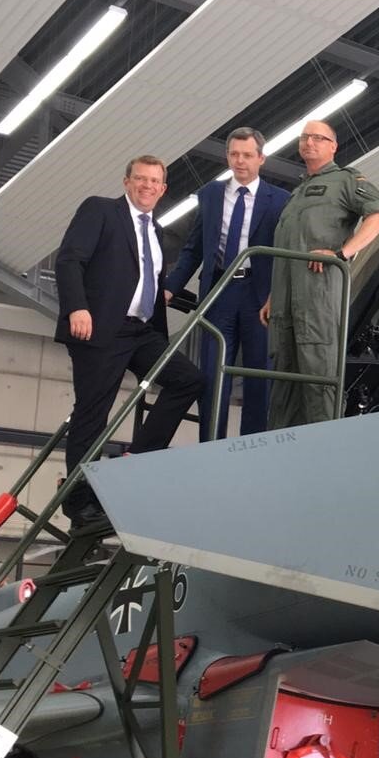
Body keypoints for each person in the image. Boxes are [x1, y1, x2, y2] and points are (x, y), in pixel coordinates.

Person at [55, 156, 203, 526]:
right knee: (92, 413)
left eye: (154, 181)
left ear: (163, 189)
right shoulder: (101, 210)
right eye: (140, 178)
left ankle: (135, 460)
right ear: (126, 182)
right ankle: (78, 502)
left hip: (141, 332)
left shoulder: (156, 231)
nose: (147, 186)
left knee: (189, 379)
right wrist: (77, 307)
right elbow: (69, 260)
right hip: (99, 327)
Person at [259, 119, 379, 429]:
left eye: (318, 138)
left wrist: (342, 254)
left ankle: (326, 446)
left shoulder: (346, 180)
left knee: (319, 376)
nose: (309, 142)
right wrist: (273, 295)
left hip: (317, 298)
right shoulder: (296, 194)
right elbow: (290, 248)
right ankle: (281, 451)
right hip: (284, 304)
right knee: (283, 385)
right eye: (305, 137)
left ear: (333, 146)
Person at [163, 127, 290, 440]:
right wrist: (170, 287)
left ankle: (253, 446)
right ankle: (210, 444)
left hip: (260, 297)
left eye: (247, 155)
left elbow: (286, 255)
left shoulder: (280, 200)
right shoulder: (210, 194)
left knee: (258, 376)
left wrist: (277, 294)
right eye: (234, 154)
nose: (240, 161)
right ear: (227, 157)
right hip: (219, 292)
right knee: (211, 374)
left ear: (261, 158)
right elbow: (193, 248)